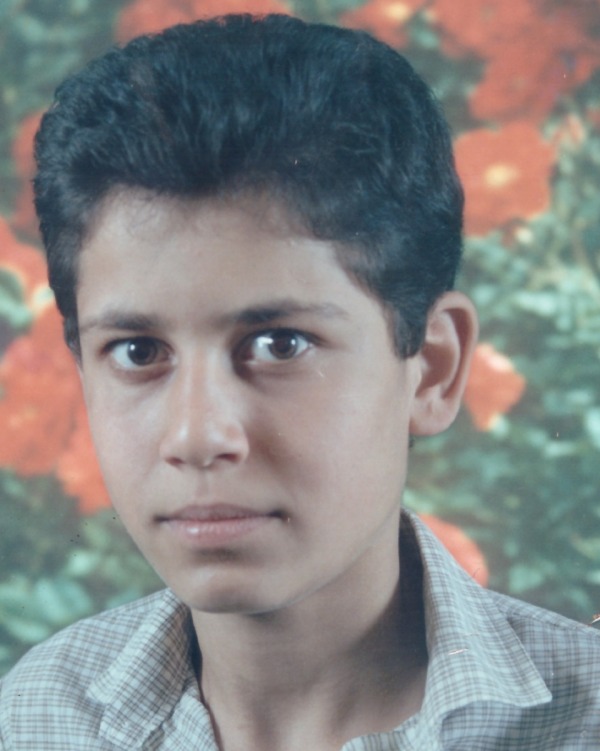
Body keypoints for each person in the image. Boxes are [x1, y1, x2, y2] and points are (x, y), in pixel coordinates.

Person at [0, 14, 598, 751]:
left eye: (278, 345)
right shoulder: (40, 717)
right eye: (137, 351)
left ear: (434, 367)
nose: (197, 435)